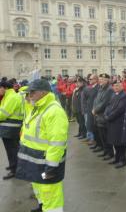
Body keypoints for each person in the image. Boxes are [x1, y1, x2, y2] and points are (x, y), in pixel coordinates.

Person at [15, 79, 69, 212]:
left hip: (46, 164)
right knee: (39, 188)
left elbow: (57, 143)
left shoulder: (54, 111)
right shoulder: (36, 106)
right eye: (28, 93)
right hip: (35, 161)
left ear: (43, 93)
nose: (29, 96)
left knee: (50, 193)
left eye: (32, 93)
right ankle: (42, 206)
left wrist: (51, 167)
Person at [0, 81, 23, 180]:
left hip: (10, 128)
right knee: (13, 149)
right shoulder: (10, 96)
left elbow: (3, 113)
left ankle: (15, 170)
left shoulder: (11, 97)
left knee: (12, 150)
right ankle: (13, 166)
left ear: (3, 88)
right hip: (10, 128)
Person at [104, 80, 126, 168]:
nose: (116, 87)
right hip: (112, 122)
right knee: (114, 142)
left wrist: (109, 117)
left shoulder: (124, 96)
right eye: (114, 86)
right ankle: (117, 158)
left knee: (120, 143)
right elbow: (108, 106)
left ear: (122, 86)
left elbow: (119, 109)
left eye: (118, 86)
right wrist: (106, 114)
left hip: (119, 122)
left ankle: (122, 160)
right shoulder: (113, 94)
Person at [92, 74, 114, 157]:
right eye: (100, 79)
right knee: (101, 135)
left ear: (107, 80)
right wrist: (94, 108)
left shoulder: (109, 90)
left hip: (103, 115)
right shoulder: (101, 88)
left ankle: (110, 153)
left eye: (103, 79)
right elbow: (96, 100)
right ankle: (105, 151)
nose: (100, 80)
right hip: (98, 115)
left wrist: (95, 110)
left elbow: (104, 103)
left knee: (106, 136)